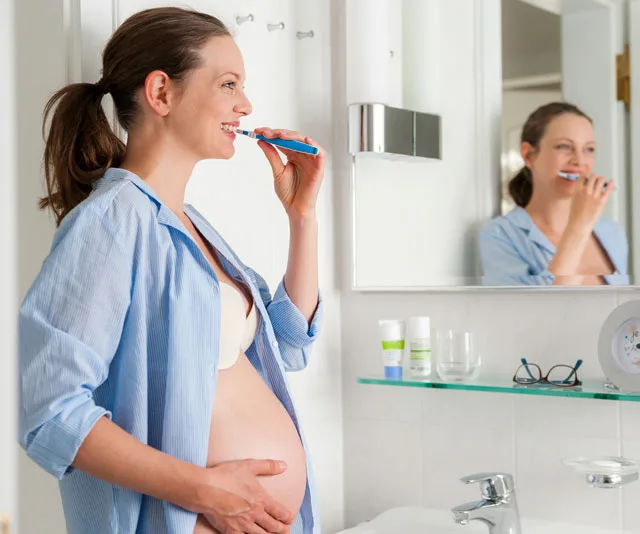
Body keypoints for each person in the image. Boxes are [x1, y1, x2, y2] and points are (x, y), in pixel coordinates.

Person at [18, 7, 326, 534]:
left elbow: (289, 346)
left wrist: (303, 218)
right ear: (161, 93)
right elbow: (51, 411)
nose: (246, 105)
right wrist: (205, 489)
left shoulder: (192, 224)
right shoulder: (111, 223)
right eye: (228, 84)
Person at [479, 102, 628, 286]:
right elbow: (540, 311)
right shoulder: (500, 235)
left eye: (589, 149)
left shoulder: (612, 232)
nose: (579, 161)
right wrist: (579, 224)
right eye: (564, 147)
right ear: (528, 155)